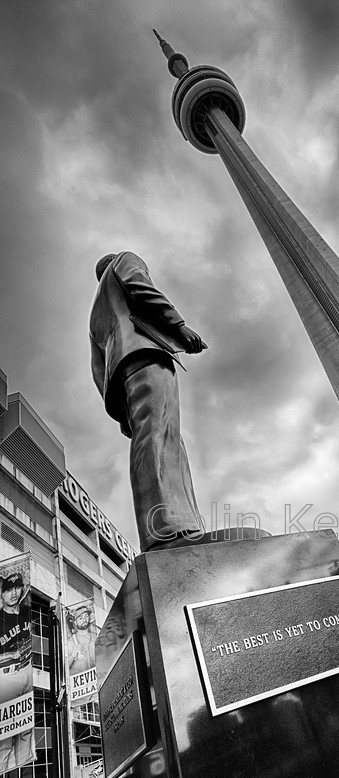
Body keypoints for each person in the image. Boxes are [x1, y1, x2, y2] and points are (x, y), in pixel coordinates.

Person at [90, 251, 207, 551]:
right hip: (146, 354)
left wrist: (122, 415)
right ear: (113, 264)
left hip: (125, 371)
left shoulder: (95, 316)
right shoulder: (124, 261)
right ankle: (168, 526)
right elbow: (141, 287)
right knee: (160, 436)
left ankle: (182, 523)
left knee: (159, 435)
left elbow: (98, 370)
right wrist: (178, 325)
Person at [0, 573, 34, 772]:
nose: (13, 593)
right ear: (2, 594)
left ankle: (24, 775)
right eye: (8, 590)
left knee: (25, 730)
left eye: (17, 588)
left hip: (27, 670)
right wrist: (10, 654)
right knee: (4, 733)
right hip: (6, 676)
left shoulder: (26, 611)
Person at [67, 603, 96, 675]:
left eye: (86, 616)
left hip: (96, 678)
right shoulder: (70, 642)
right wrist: (73, 654)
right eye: (80, 618)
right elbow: (64, 667)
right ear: (75, 623)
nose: (84, 620)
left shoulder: (95, 637)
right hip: (78, 681)